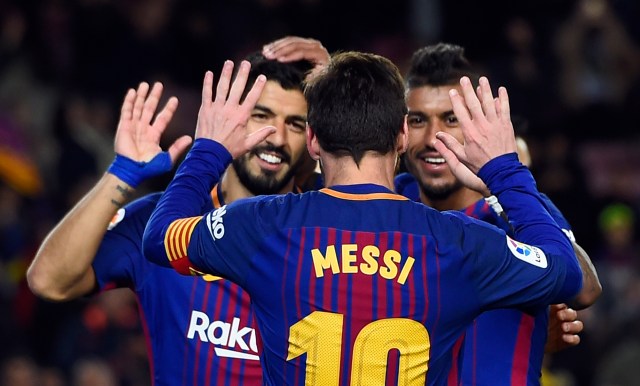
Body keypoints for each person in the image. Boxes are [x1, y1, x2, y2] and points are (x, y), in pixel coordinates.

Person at [143, 51, 590, 384]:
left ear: (313, 141)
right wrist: (504, 171)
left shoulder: (260, 225)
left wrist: (208, 150)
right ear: (400, 135)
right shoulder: (459, 242)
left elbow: (160, 237)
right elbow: (567, 272)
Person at [26, 52, 313, 385]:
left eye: (295, 124)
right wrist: (122, 174)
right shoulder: (159, 221)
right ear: (227, 121)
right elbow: (49, 280)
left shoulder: (323, 230)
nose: (277, 137)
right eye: (261, 115)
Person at [395, 42, 601, 385]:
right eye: (418, 120)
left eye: (451, 119)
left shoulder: (515, 205)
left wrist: (498, 188)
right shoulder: (388, 195)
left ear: (478, 128)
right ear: (400, 130)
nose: (433, 138)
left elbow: (586, 289)